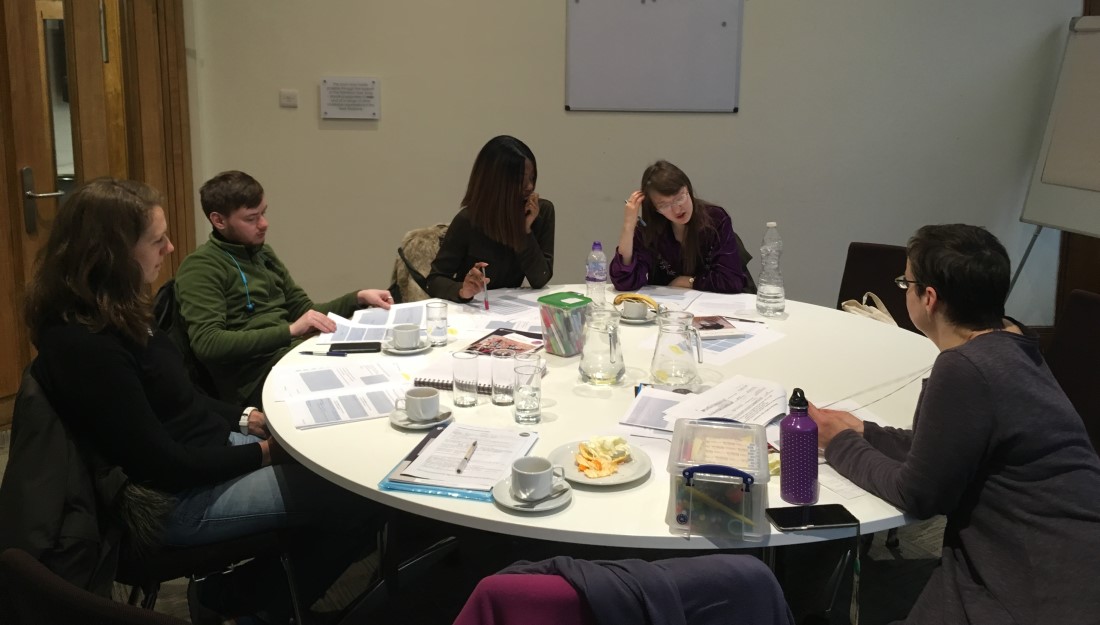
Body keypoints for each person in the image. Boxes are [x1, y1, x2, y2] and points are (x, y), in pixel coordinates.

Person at [25, 178, 380, 622]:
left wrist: (248, 418)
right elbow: (164, 465)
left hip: (205, 456)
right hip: (175, 500)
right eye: (157, 240)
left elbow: (183, 399)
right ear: (112, 254)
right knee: (357, 496)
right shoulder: (86, 345)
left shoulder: (119, 308)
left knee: (340, 459)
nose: (171, 248)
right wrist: (267, 454)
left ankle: (238, 593)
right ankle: (254, 604)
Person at [809, 224, 1100, 624]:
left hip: (1033, 581)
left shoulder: (963, 367)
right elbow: (950, 446)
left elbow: (918, 495)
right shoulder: (1012, 339)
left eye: (905, 283)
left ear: (928, 298)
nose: (904, 290)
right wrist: (867, 433)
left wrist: (841, 442)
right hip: (1073, 555)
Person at [176, 170, 393, 407]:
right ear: (219, 221)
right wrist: (290, 331)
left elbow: (306, 311)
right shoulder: (201, 267)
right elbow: (208, 343)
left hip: (293, 356)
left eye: (264, 213)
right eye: (251, 218)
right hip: (255, 380)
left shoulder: (262, 254)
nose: (264, 224)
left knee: (381, 367)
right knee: (358, 392)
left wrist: (358, 298)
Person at [426, 135, 555, 302]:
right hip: (472, 309)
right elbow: (434, 280)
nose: (530, 186)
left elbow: (540, 279)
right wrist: (462, 290)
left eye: (532, 178)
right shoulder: (468, 220)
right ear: (497, 182)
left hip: (512, 309)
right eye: (521, 180)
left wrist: (525, 231)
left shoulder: (539, 212)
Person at [609, 160, 748, 294]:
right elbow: (624, 281)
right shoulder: (650, 231)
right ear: (655, 209)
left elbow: (731, 280)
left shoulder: (715, 219)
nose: (677, 210)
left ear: (688, 189)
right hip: (667, 311)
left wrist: (688, 281)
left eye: (679, 198)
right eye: (664, 205)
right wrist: (628, 226)